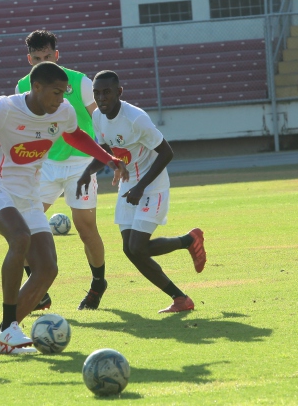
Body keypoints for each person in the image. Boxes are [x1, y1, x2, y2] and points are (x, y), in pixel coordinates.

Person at [0, 62, 127, 355]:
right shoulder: (3, 109)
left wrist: (107, 158)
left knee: (47, 268)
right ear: (36, 88)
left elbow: (75, 135)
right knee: (20, 238)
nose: (61, 100)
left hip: (28, 196)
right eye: (56, 93)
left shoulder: (62, 112)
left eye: (64, 94)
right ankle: (11, 326)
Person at [77, 70, 207, 314]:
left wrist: (141, 186)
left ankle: (188, 242)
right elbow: (106, 151)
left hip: (151, 184)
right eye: (97, 93)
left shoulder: (136, 119)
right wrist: (88, 171)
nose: (102, 98)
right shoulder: (97, 116)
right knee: (130, 250)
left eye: (107, 92)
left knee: (137, 247)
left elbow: (167, 153)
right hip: (129, 185)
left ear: (119, 92)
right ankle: (180, 297)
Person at [15, 30, 107, 311]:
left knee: (84, 227)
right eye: (38, 58)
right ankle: (39, 293)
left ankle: (97, 283)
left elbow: (99, 116)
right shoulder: (21, 87)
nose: (44, 61)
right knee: (21, 228)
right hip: (44, 166)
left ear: (57, 55)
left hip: (80, 164)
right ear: (29, 59)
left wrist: (110, 151)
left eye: (48, 56)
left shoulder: (79, 82)